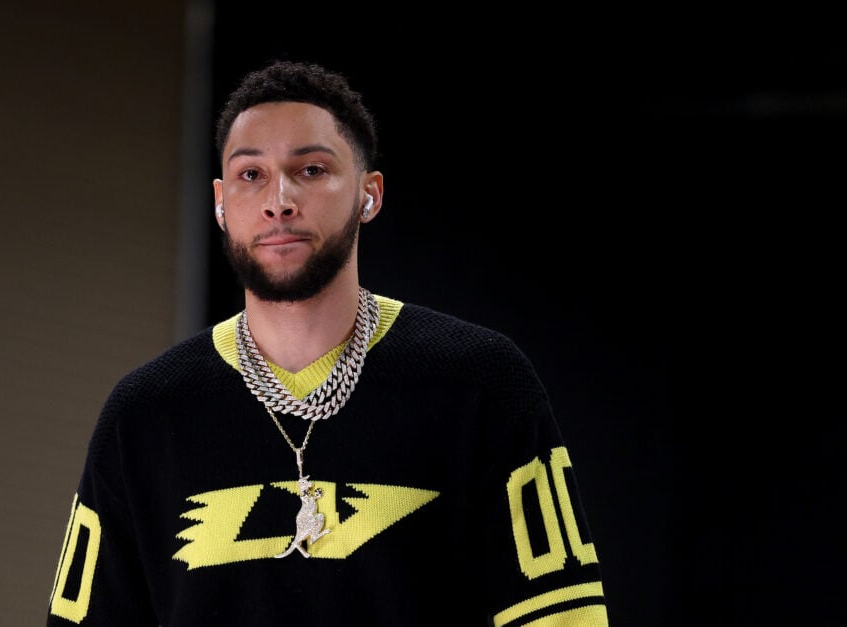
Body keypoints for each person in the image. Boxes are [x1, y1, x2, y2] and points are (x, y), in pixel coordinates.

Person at [46, 59, 609, 626]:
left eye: (311, 170)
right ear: (220, 204)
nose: (279, 200)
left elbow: (562, 616)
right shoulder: (145, 415)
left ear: (369, 194)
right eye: (251, 175)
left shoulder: (478, 382)